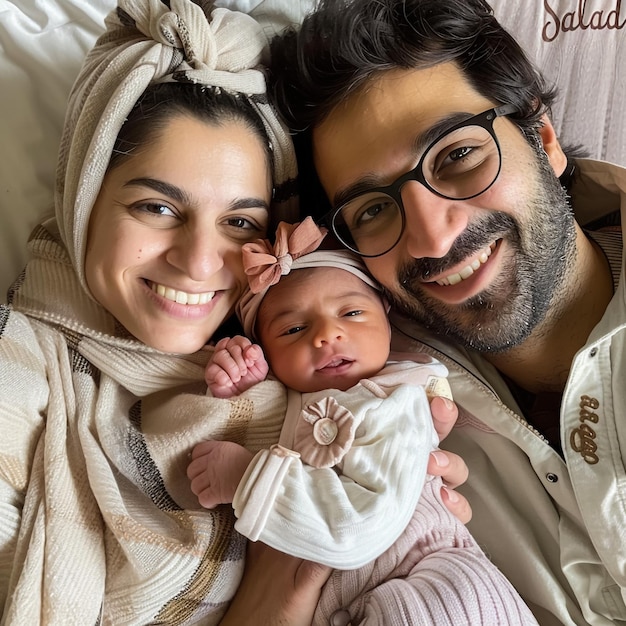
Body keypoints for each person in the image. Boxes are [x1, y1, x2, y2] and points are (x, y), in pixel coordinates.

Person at [0, 1, 467, 624]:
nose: (199, 262)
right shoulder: (20, 366)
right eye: (157, 208)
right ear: (84, 196)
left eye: (239, 221)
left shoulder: (296, 347)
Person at [267, 0, 626, 624]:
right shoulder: (358, 390)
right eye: (373, 209)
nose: (432, 239)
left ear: (542, 137)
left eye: (457, 156)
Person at [188, 218, 539, 625]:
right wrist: (243, 388)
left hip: (432, 588)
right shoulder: (296, 395)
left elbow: (358, 525)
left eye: (351, 312)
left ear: (387, 317)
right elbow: (264, 430)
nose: (327, 334)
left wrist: (245, 477)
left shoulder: (395, 402)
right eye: (294, 329)